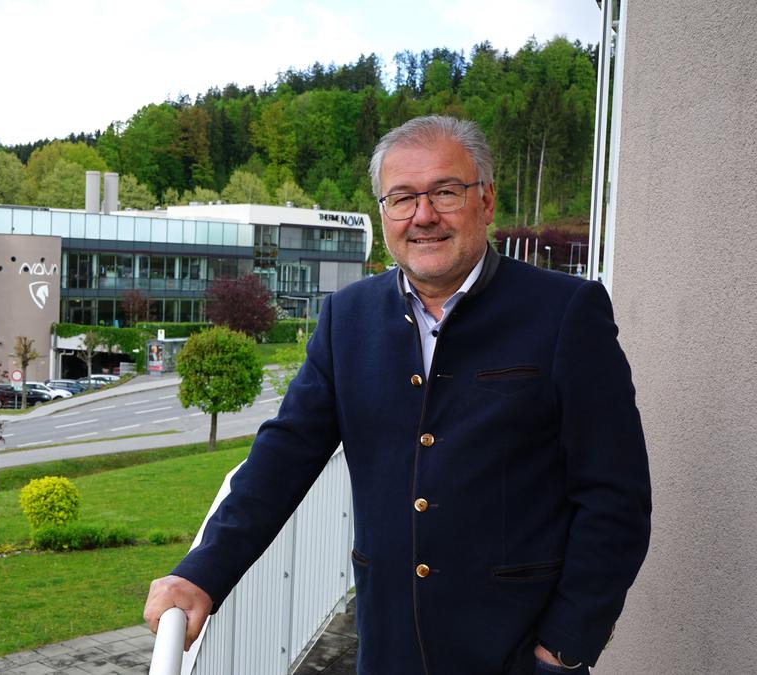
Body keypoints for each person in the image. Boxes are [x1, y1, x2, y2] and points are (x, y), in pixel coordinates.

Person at [144, 115, 651, 674]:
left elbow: (615, 496)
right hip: (389, 649)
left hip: (515, 653)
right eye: (402, 198)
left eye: (445, 192)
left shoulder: (565, 313)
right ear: (383, 213)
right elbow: (282, 457)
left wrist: (564, 648)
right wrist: (200, 573)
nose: (423, 215)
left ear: (485, 201)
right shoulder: (347, 317)